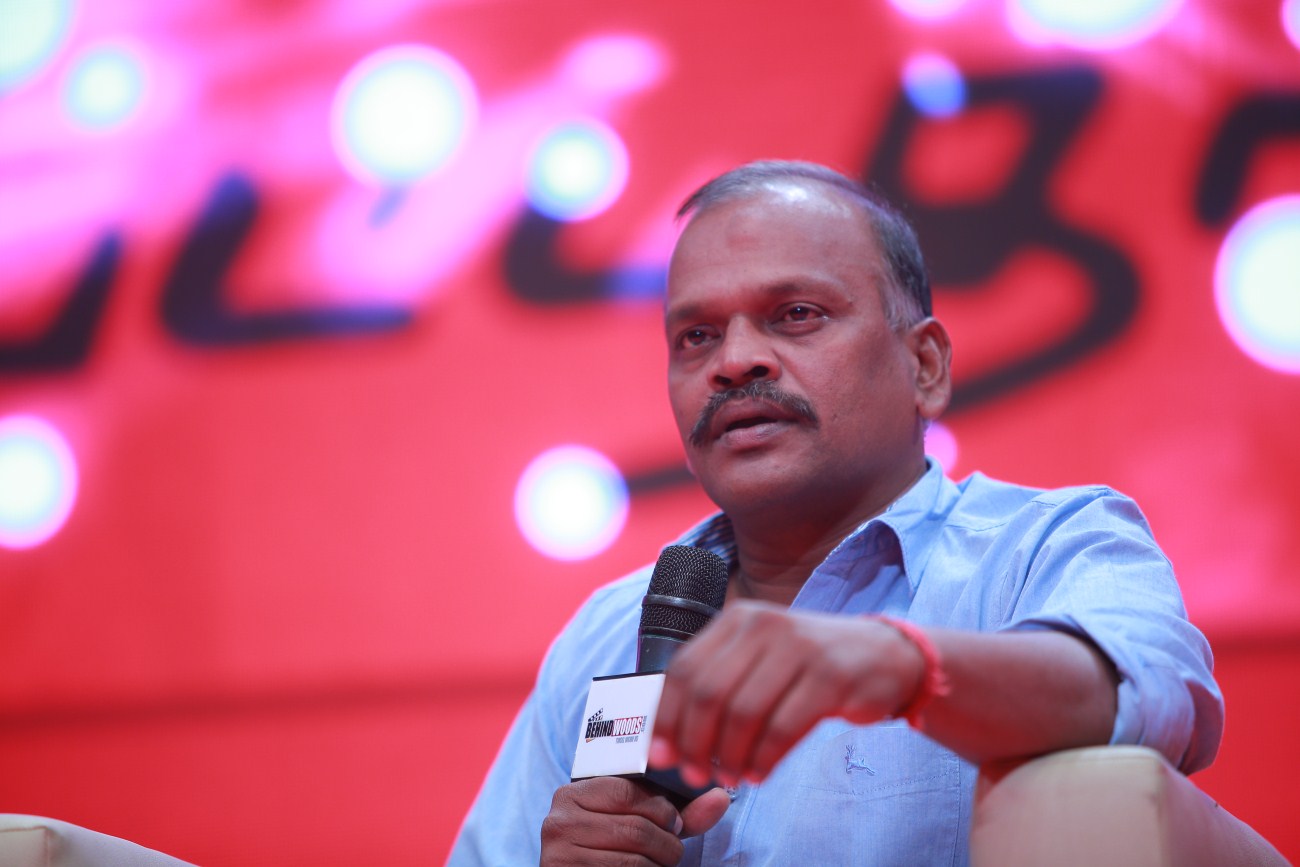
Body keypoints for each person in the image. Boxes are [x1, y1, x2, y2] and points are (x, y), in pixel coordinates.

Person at [448, 160, 1223, 866]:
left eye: (796, 314)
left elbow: (1150, 696)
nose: (734, 361)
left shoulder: (1045, 548)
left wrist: (904, 667)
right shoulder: (611, 631)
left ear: (925, 365)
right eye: (697, 335)